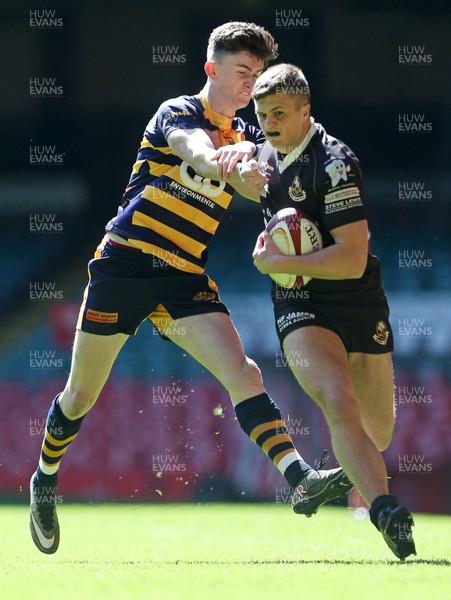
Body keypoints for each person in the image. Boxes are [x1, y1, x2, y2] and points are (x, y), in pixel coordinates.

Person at [29, 25, 353, 555]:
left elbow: (255, 171)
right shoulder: (176, 113)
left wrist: (255, 174)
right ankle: (45, 477)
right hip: (124, 266)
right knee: (81, 394)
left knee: (242, 371)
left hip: (182, 276)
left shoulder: (249, 133)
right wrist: (219, 159)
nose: (250, 84)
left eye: (256, 75)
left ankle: (298, 480)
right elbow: (196, 151)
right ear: (212, 70)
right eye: (241, 73)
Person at [238, 63, 416, 561]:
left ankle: (331, 479)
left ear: (304, 111)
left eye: (278, 113)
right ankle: (386, 512)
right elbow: (227, 152)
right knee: (337, 399)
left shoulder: (335, 163)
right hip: (300, 302)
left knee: (376, 430)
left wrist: (277, 261)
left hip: (355, 296)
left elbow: (352, 256)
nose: (268, 122)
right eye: (261, 113)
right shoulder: (260, 155)